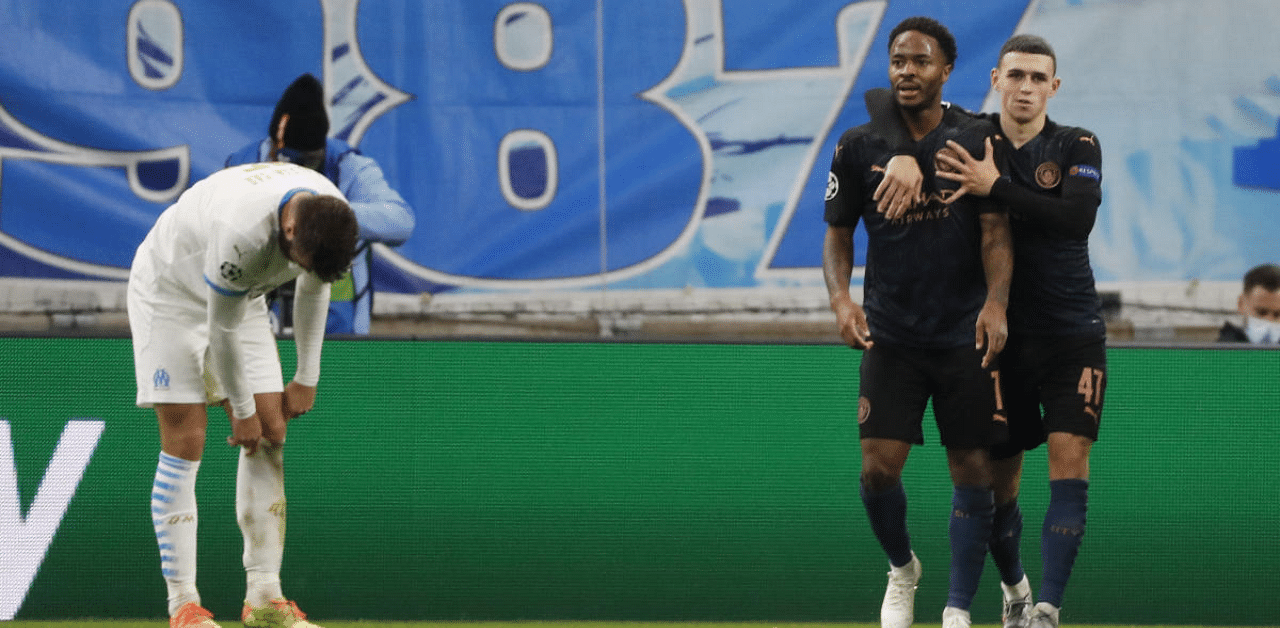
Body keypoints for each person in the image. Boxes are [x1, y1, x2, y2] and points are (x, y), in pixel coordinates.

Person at [864, 34, 1107, 628]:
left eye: (1037, 78)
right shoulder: (972, 137)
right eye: (1015, 76)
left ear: (1054, 86)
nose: (1026, 88)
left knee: (1068, 464)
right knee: (998, 491)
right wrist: (899, 148)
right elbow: (881, 98)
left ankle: (1045, 608)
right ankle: (1016, 590)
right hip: (999, 337)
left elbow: (1075, 220)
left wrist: (994, 187)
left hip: (1073, 332)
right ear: (996, 79)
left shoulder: (1076, 143)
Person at [823, 16, 1013, 628]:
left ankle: (957, 609)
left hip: (963, 333)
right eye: (898, 60)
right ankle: (902, 569)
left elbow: (995, 231)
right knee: (877, 471)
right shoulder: (858, 146)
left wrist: (996, 302)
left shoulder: (975, 134)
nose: (907, 70)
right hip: (892, 334)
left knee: (975, 473)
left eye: (921, 61)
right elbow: (837, 234)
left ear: (946, 70)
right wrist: (841, 301)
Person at [129, 161, 359, 628]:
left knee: (272, 432)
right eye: (298, 261)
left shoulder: (327, 217)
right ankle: (184, 606)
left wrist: (307, 376)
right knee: (186, 438)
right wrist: (240, 408)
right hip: (170, 293)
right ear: (288, 228)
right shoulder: (243, 230)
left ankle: (264, 598)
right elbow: (222, 329)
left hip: (242, 295)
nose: (300, 270)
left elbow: (314, 291)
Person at [226, 73, 415, 335]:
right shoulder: (242, 167)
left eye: (310, 163)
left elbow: (400, 222)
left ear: (322, 150)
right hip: (258, 326)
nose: (300, 173)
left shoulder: (349, 166)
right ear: (274, 151)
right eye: (290, 163)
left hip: (340, 335)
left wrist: (325, 216)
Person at [1218, 263, 1280, 343]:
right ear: (1241, 304)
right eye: (1261, 313)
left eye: (1277, 314)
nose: (1269, 320)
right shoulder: (1219, 353)